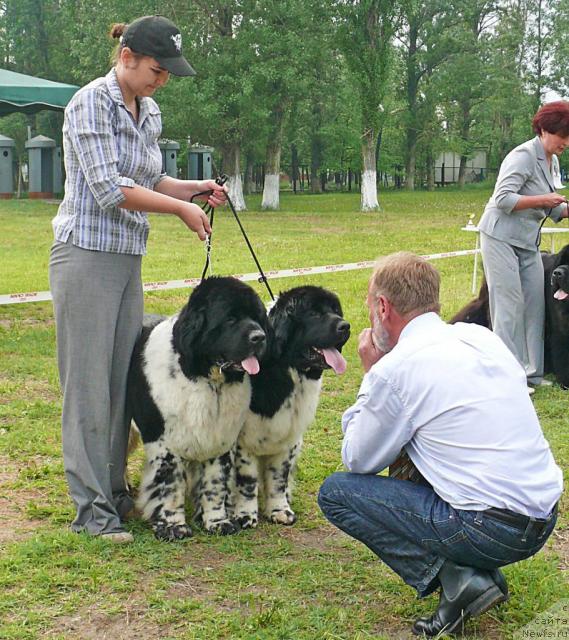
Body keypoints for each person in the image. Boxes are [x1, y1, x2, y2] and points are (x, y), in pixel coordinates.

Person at [49, 15, 227, 544]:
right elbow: (109, 188)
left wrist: (191, 188)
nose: (162, 80)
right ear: (126, 56)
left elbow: (148, 177)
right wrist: (177, 210)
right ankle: (91, 512)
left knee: (119, 385)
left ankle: (114, 494)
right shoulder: (89, 103)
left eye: (168, 73)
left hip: (127, 259)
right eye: (157, 69)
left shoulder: (147, 111)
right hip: (85, 256)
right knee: (87, 388)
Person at [318, 252, 562, 637]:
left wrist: (372, 373)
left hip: (489, 529)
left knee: (336, 492)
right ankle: (469, 571)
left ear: (383, 307)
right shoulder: (480, 336)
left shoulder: (397, 369)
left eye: (369, 306)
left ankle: (460, 578)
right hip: (544, 516)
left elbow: (358, 460)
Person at [478, 101, 569, 394]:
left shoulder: (552, 161)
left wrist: (556, 204)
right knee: (509, 305)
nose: (566, 143)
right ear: (543, 130)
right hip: (500, 237)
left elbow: (555, 210)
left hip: (527, 243)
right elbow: (503, 199)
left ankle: (531, 373)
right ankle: (505, 377)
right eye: (562, 136)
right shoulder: (522, 156)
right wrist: (545, 200)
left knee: (535, 304)